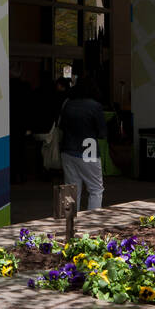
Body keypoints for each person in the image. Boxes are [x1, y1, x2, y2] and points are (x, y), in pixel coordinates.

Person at [59, 76, 108, 210]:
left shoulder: (67, 104)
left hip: (67, 149)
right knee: (95, 189)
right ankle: (91, 225)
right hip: (89, 149)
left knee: (70, 188)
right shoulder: (95, 106)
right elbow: (102, 132)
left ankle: (69, 224)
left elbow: (62, 127)